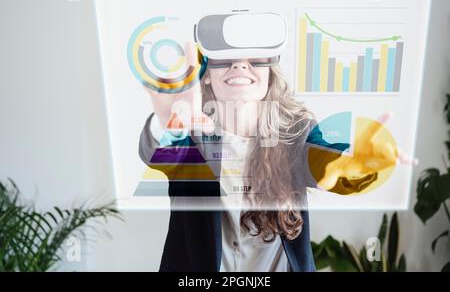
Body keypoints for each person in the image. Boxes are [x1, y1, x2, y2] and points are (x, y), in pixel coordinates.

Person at [138, 16, 408, 272]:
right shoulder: (189, 136)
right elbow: (154, 153)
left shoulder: (297, 130)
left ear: (270, 73)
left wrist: (349, 161)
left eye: (255, 58)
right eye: (225, 57)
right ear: (206, 73)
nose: (240, 64)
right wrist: (168, 122)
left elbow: (321, 161)